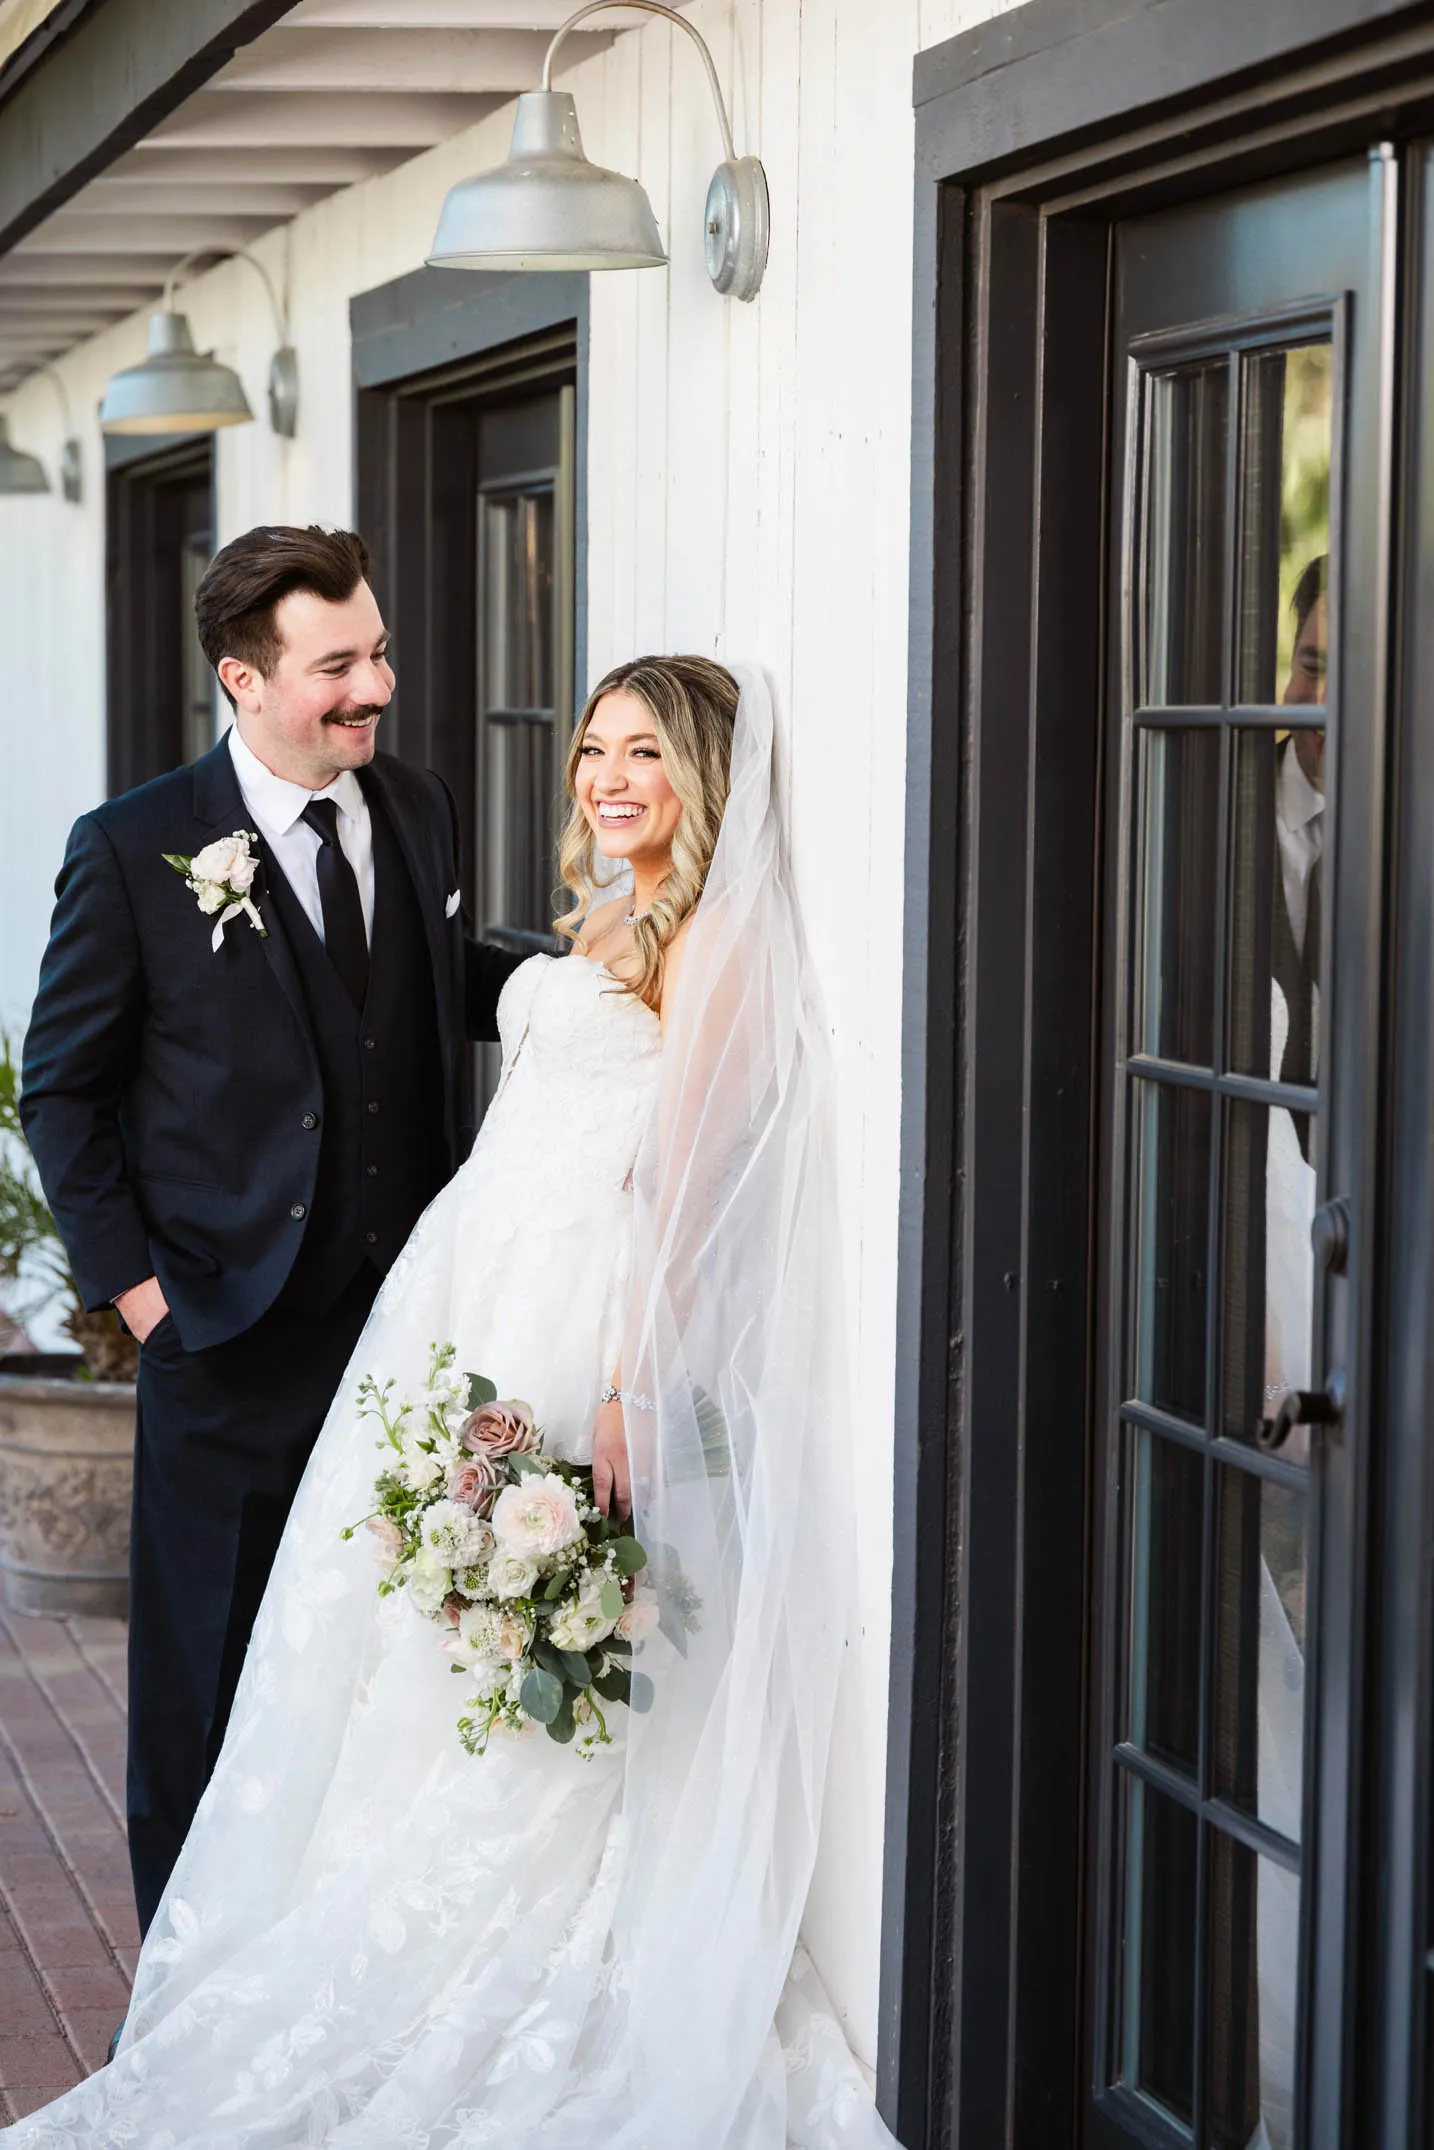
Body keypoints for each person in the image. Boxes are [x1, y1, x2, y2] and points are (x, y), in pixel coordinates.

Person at [5, 656, 896, 2148]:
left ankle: (503, 1943)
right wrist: (142, 1291)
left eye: (645, 756)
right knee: (375, 1647)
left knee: (517, 1632)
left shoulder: (711, 940)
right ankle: (271, 1945)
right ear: (250, 672)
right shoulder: (599, 913)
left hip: (575, 1322)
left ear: (705, 781)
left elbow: (683, 1199)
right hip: (467, 1299)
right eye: (594, 749)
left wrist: (619, 1391)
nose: (606, 778)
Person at [19, 525, 523, 1935]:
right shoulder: (132, 848)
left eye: (378, 651)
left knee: (383, 1664)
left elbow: (429, 985)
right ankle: (187, 1990)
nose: (377, 686)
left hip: (408, 1335)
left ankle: (338, 1955)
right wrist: (142, 1300)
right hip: (224, 1336)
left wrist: (582, 980)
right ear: (244, 679)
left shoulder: (416, 805)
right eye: (338, 665)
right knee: (206, 1684)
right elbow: (61, 1089)